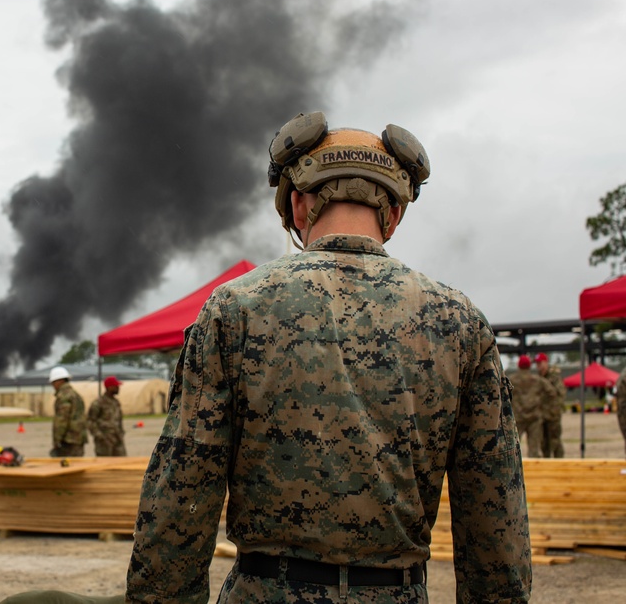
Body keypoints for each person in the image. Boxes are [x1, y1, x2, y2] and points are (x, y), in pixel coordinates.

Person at [126, 112, 531, 603]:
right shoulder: (461, 322)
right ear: (394, 215)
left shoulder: (235, 308)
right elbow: (494, 520)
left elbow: (181, 493)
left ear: (299, 206)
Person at [510, 354, 553, 458]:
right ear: (529, 366)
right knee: (534, 449)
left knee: (512, 447)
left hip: (518, 417)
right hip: (534, 418)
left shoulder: (512, 380)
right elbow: (551, 392)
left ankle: (514, 472)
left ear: (518, 365)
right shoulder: (538, 380)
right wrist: (540, 401)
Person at [49, 366, 87, 458]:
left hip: (68, 441)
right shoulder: (76, 395)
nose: (53, 386)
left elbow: (62, 420)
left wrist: (57, 440)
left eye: (53, 383)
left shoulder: (64, 397)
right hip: (78, 438)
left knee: (68, 468)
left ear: (60, 381)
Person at [535, 352, 566, 458]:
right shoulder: (538, 377)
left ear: (546, 363)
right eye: (537, 364)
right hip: (542, 414)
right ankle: (546, 461)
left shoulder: (554, 376)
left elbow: (560, 393)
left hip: (553, 414)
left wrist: (556, 409)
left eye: (540, 363)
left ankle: (559, 462)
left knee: (555, 440)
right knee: (544, 442)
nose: (538, 366)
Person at [87, 376, 126, 457]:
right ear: (109, 387)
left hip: (118, 440)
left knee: (122, 463)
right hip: (104, 442)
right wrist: (100, 436)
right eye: (116, 386)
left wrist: (121, 433)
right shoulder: (98, 403)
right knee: (104, 465)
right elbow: (90, 421)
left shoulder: (116, 403)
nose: (118, 388)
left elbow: (119, 420)